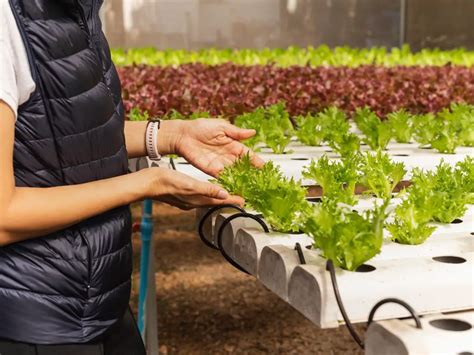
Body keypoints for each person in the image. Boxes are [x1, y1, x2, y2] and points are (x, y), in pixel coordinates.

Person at [0, 0, 263, 353]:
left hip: (95, 305)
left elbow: (58, 142)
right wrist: (147, 183)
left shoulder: (74, 10)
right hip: (33, 323)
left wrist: (172, 135)